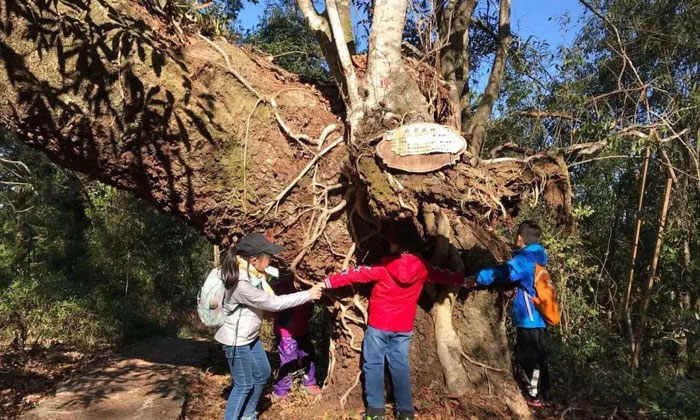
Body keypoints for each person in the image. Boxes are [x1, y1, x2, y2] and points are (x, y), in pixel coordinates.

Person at [321, 223, 466, 420]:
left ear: (398, 246)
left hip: (379, 325)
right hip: (403, 328)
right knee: (400, 366)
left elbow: (356, 274)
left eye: (391, 242)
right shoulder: (422, 268)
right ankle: (405, 412)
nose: (389, 244)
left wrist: (328, 282)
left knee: (373, 365)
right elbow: (443, 275)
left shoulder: (384, 267)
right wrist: (463, 280)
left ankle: (375, 412)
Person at [214, 233, 324, 420]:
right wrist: (308, 294)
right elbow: (273, 303)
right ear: (254, 259)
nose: (271, 260)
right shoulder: (241, 283)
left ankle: (248, 414)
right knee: (243, 384)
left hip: (249, 337)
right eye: (268, 256)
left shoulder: (252, 273)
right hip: (236, 340)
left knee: (263, 373)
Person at [468, 220, 550, 407]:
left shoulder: (525, 260)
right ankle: (543, 392)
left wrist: (477, 278)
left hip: (528, 317)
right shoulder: (539, 256)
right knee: (539, 354)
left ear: (520, 238)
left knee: (528, 356)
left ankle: (534, 396)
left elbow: (504, 272)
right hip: (539, 316)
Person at [271, 273, 321, 399]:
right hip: (286, 333)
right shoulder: (284, 286)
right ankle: (281, 391)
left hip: (302, 330)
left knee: (308, 355)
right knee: (288, 361)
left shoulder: (308, 287)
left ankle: (309, 383)